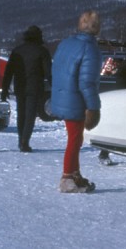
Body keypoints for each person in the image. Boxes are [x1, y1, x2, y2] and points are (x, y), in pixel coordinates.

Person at [51, 10, 102, 193]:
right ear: (96, 28)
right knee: (74, 139)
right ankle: (67, 177)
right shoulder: (90, 49)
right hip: (76, 100)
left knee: (75, 138)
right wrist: (93, 107)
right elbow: (87, 83)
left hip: (63, 96)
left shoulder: (66, 43)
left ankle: (75, 173)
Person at [1, 25, 52, 152]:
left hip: (20, 86)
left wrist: (5, 89)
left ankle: (21, 140)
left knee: (21, 114)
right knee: (30, 115)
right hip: (35, 87)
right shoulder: (42, 51)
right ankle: (25, 141)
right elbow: (48, 73)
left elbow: (9, 72)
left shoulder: (17, 51)